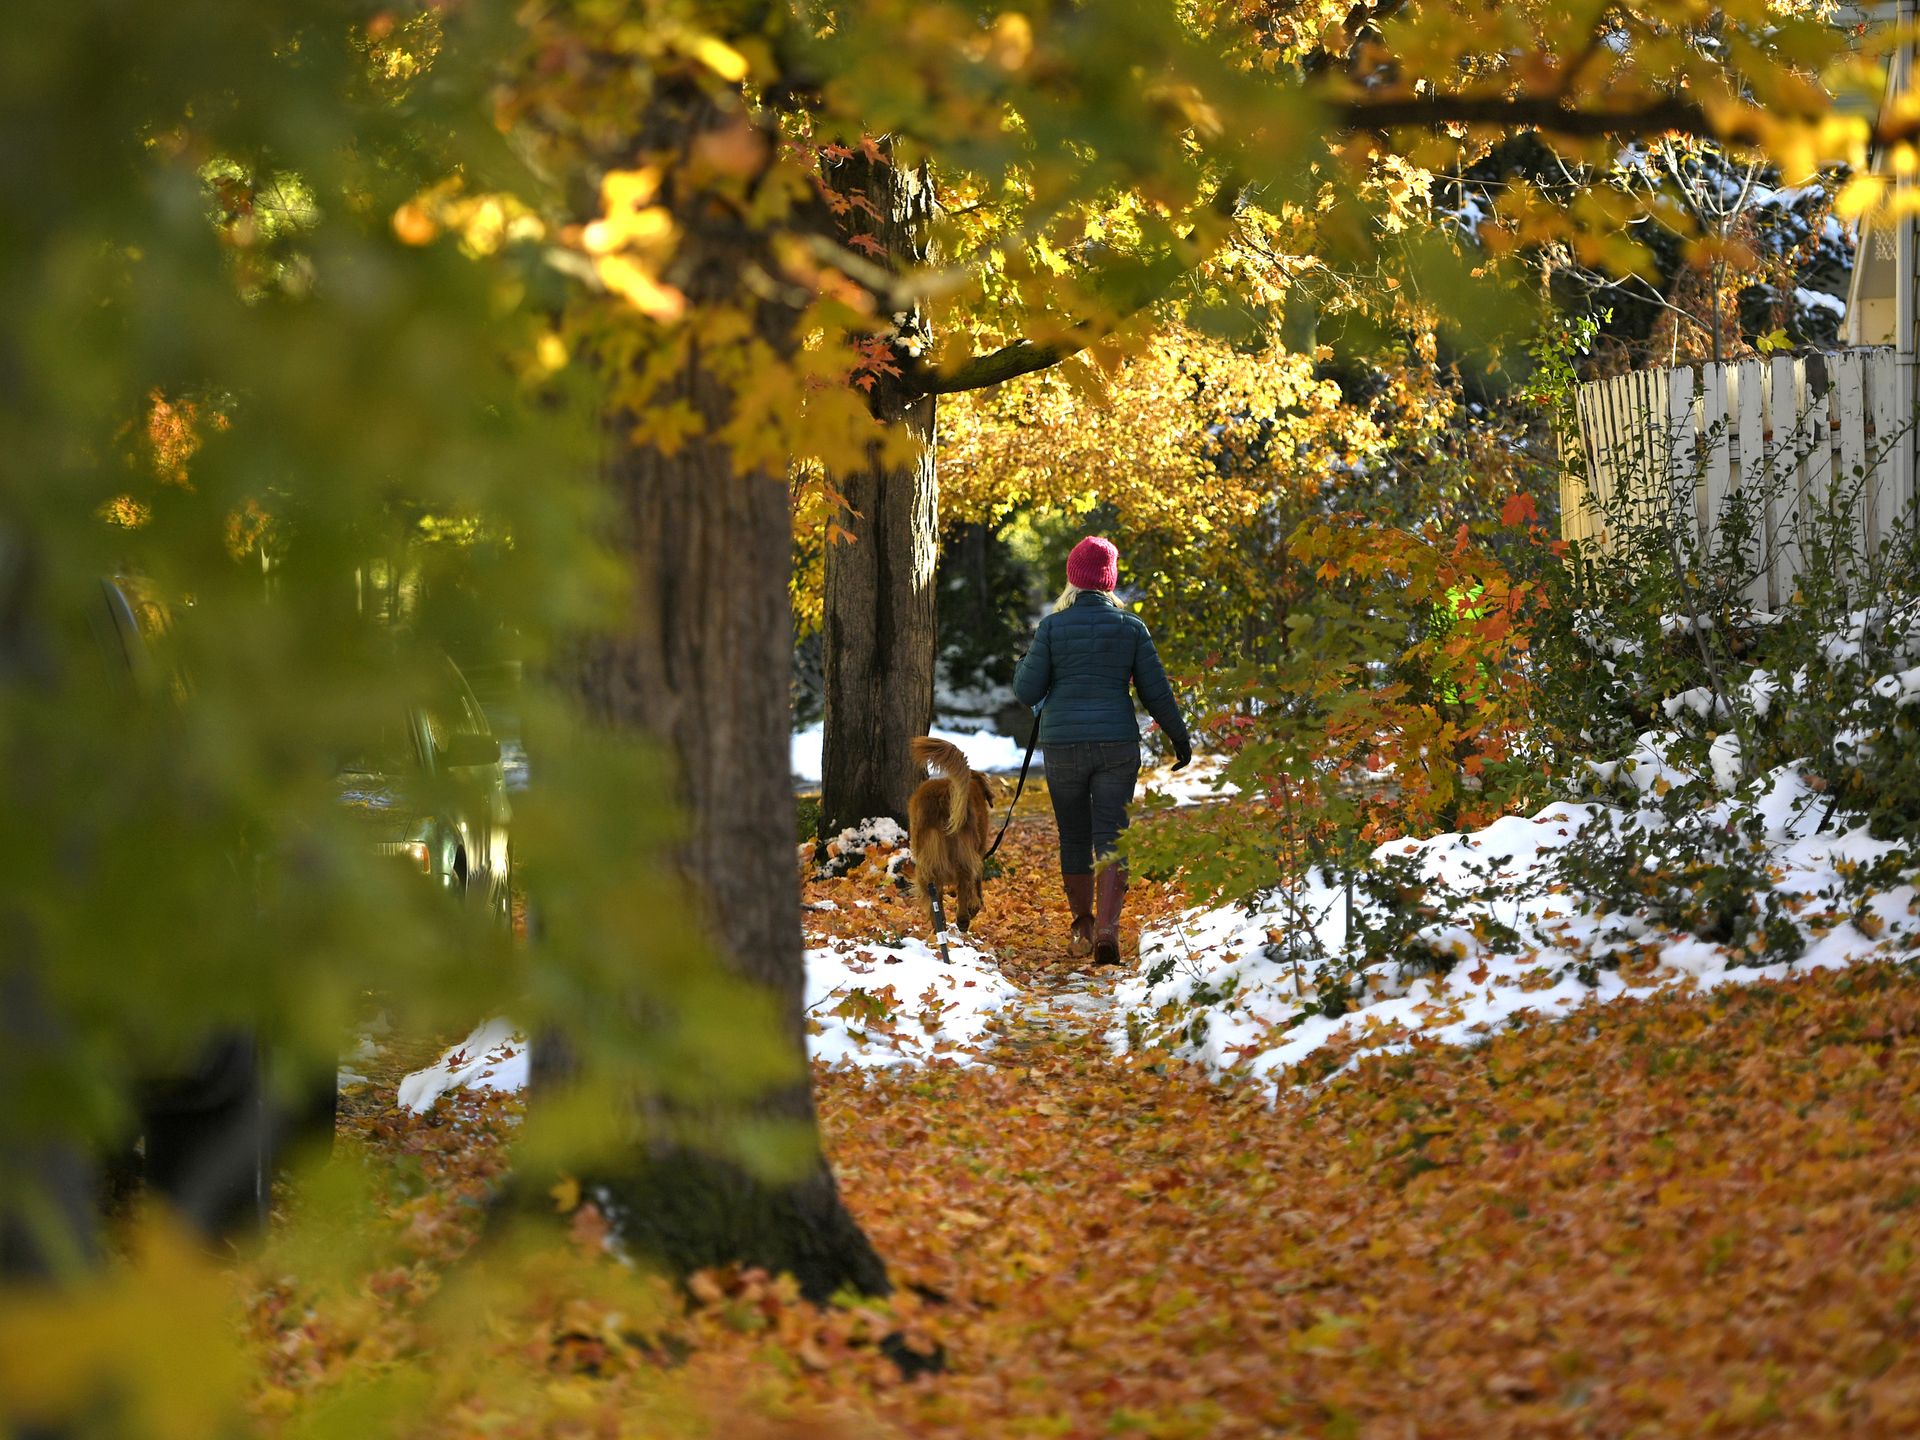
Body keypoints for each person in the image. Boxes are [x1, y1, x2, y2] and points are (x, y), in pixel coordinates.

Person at [1013, 536, 1191, 967]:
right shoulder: (1131, 628)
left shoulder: (1052, 628)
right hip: (1116, 744)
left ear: (1073, 578)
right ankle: (1110, 931)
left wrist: (1032, 662)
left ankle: (1083, 927)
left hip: (1063, 745)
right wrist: (1179, 737)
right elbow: (1156, 693)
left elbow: (1026, 689)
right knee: (1111, 834)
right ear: (1109, 581)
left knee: (1074, 834)